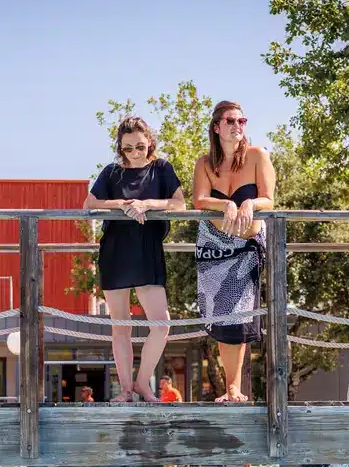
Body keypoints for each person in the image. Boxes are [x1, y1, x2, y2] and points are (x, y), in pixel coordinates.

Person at [83, 116, 186, 403]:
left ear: (149, 142)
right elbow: (89, 204)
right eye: (128, 148)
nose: (135, 153)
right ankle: (126, 390)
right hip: (116, 251)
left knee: (161, 325)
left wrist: (147, 204)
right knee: (121, 327)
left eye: (140, 146)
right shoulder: (112, 173)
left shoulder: (162, 168)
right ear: (121, 148)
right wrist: (125, 205)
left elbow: (180, 204)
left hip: (147, 250)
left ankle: (143, 383)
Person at [193, 101, 276, 403]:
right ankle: (229, 387)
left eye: (242, 120)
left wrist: (249, 203)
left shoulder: (257, 156)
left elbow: (269, 198)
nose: (237, 126)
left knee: (239, 315)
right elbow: (200, 200)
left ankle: (233, 388)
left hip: (245, 248)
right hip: (213, 248)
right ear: (216, 126)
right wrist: (226, 203)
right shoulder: (205, 163)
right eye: (230, 120)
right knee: (220, 314)